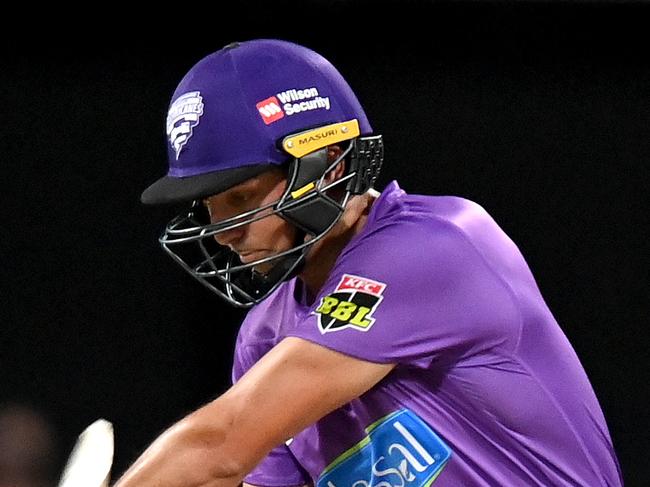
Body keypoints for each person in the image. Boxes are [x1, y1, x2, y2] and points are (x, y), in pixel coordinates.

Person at [115, 39, 622, 486]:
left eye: (242, 198)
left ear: (329, 161)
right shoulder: (264, 338)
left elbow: (220, 446)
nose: (224, 233)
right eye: (208, 207)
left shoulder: (434, 247)